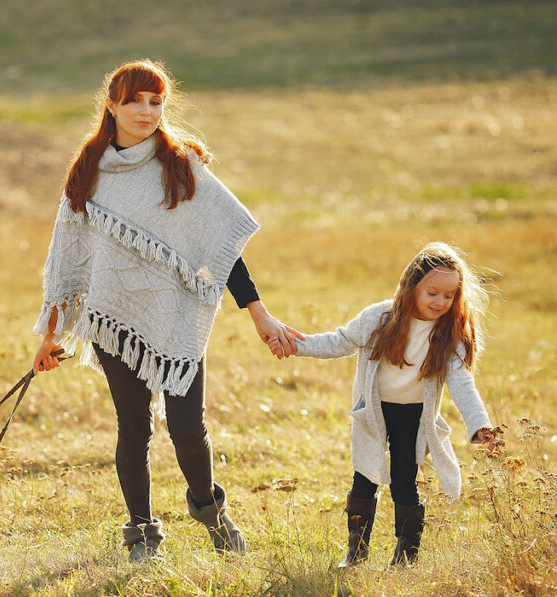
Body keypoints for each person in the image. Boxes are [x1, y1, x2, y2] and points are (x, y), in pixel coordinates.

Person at [31, 59, 302, 562]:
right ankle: (142, 531)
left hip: (176, 317)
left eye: (156, 102)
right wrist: (52, 335)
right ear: (111, 104)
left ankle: (208, 509)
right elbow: (66, 261)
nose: (146, 111)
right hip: (114, 320)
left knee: (186, 427)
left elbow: (222, 248)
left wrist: (259, 313)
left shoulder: (180, 164)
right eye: (135, 100)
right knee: (133, 428)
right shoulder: (89, 172)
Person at [272, 241, 497, 567]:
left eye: (449, 296)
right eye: (433, 292)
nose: (440, 302)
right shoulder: (379, 318)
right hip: (374, 412)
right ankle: (356, 550)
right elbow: (340, 341)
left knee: (404, 482)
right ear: (411, 286)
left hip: (414, 416)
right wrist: (294, 345)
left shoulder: (451, 334)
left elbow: (462, 382)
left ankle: (406, 556)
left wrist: (480, 425)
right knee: (364, 476)